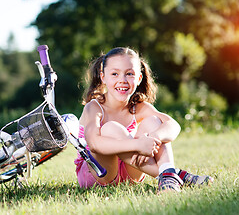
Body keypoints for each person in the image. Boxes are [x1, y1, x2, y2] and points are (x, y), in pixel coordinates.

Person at [74, 47, 213, 192]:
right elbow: (95, 144)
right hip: (99, 174)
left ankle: (168, 177)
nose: (122, 80)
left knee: (154, 122)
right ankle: (171, 175)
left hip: (131, 173)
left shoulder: (139, 108)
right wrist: (137, 144)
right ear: (103, 77)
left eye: (129, 74)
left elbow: (173, 125)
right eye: (114, 74)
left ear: (139, 78)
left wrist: (152, 138)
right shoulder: (94, 107)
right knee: (111, 128)